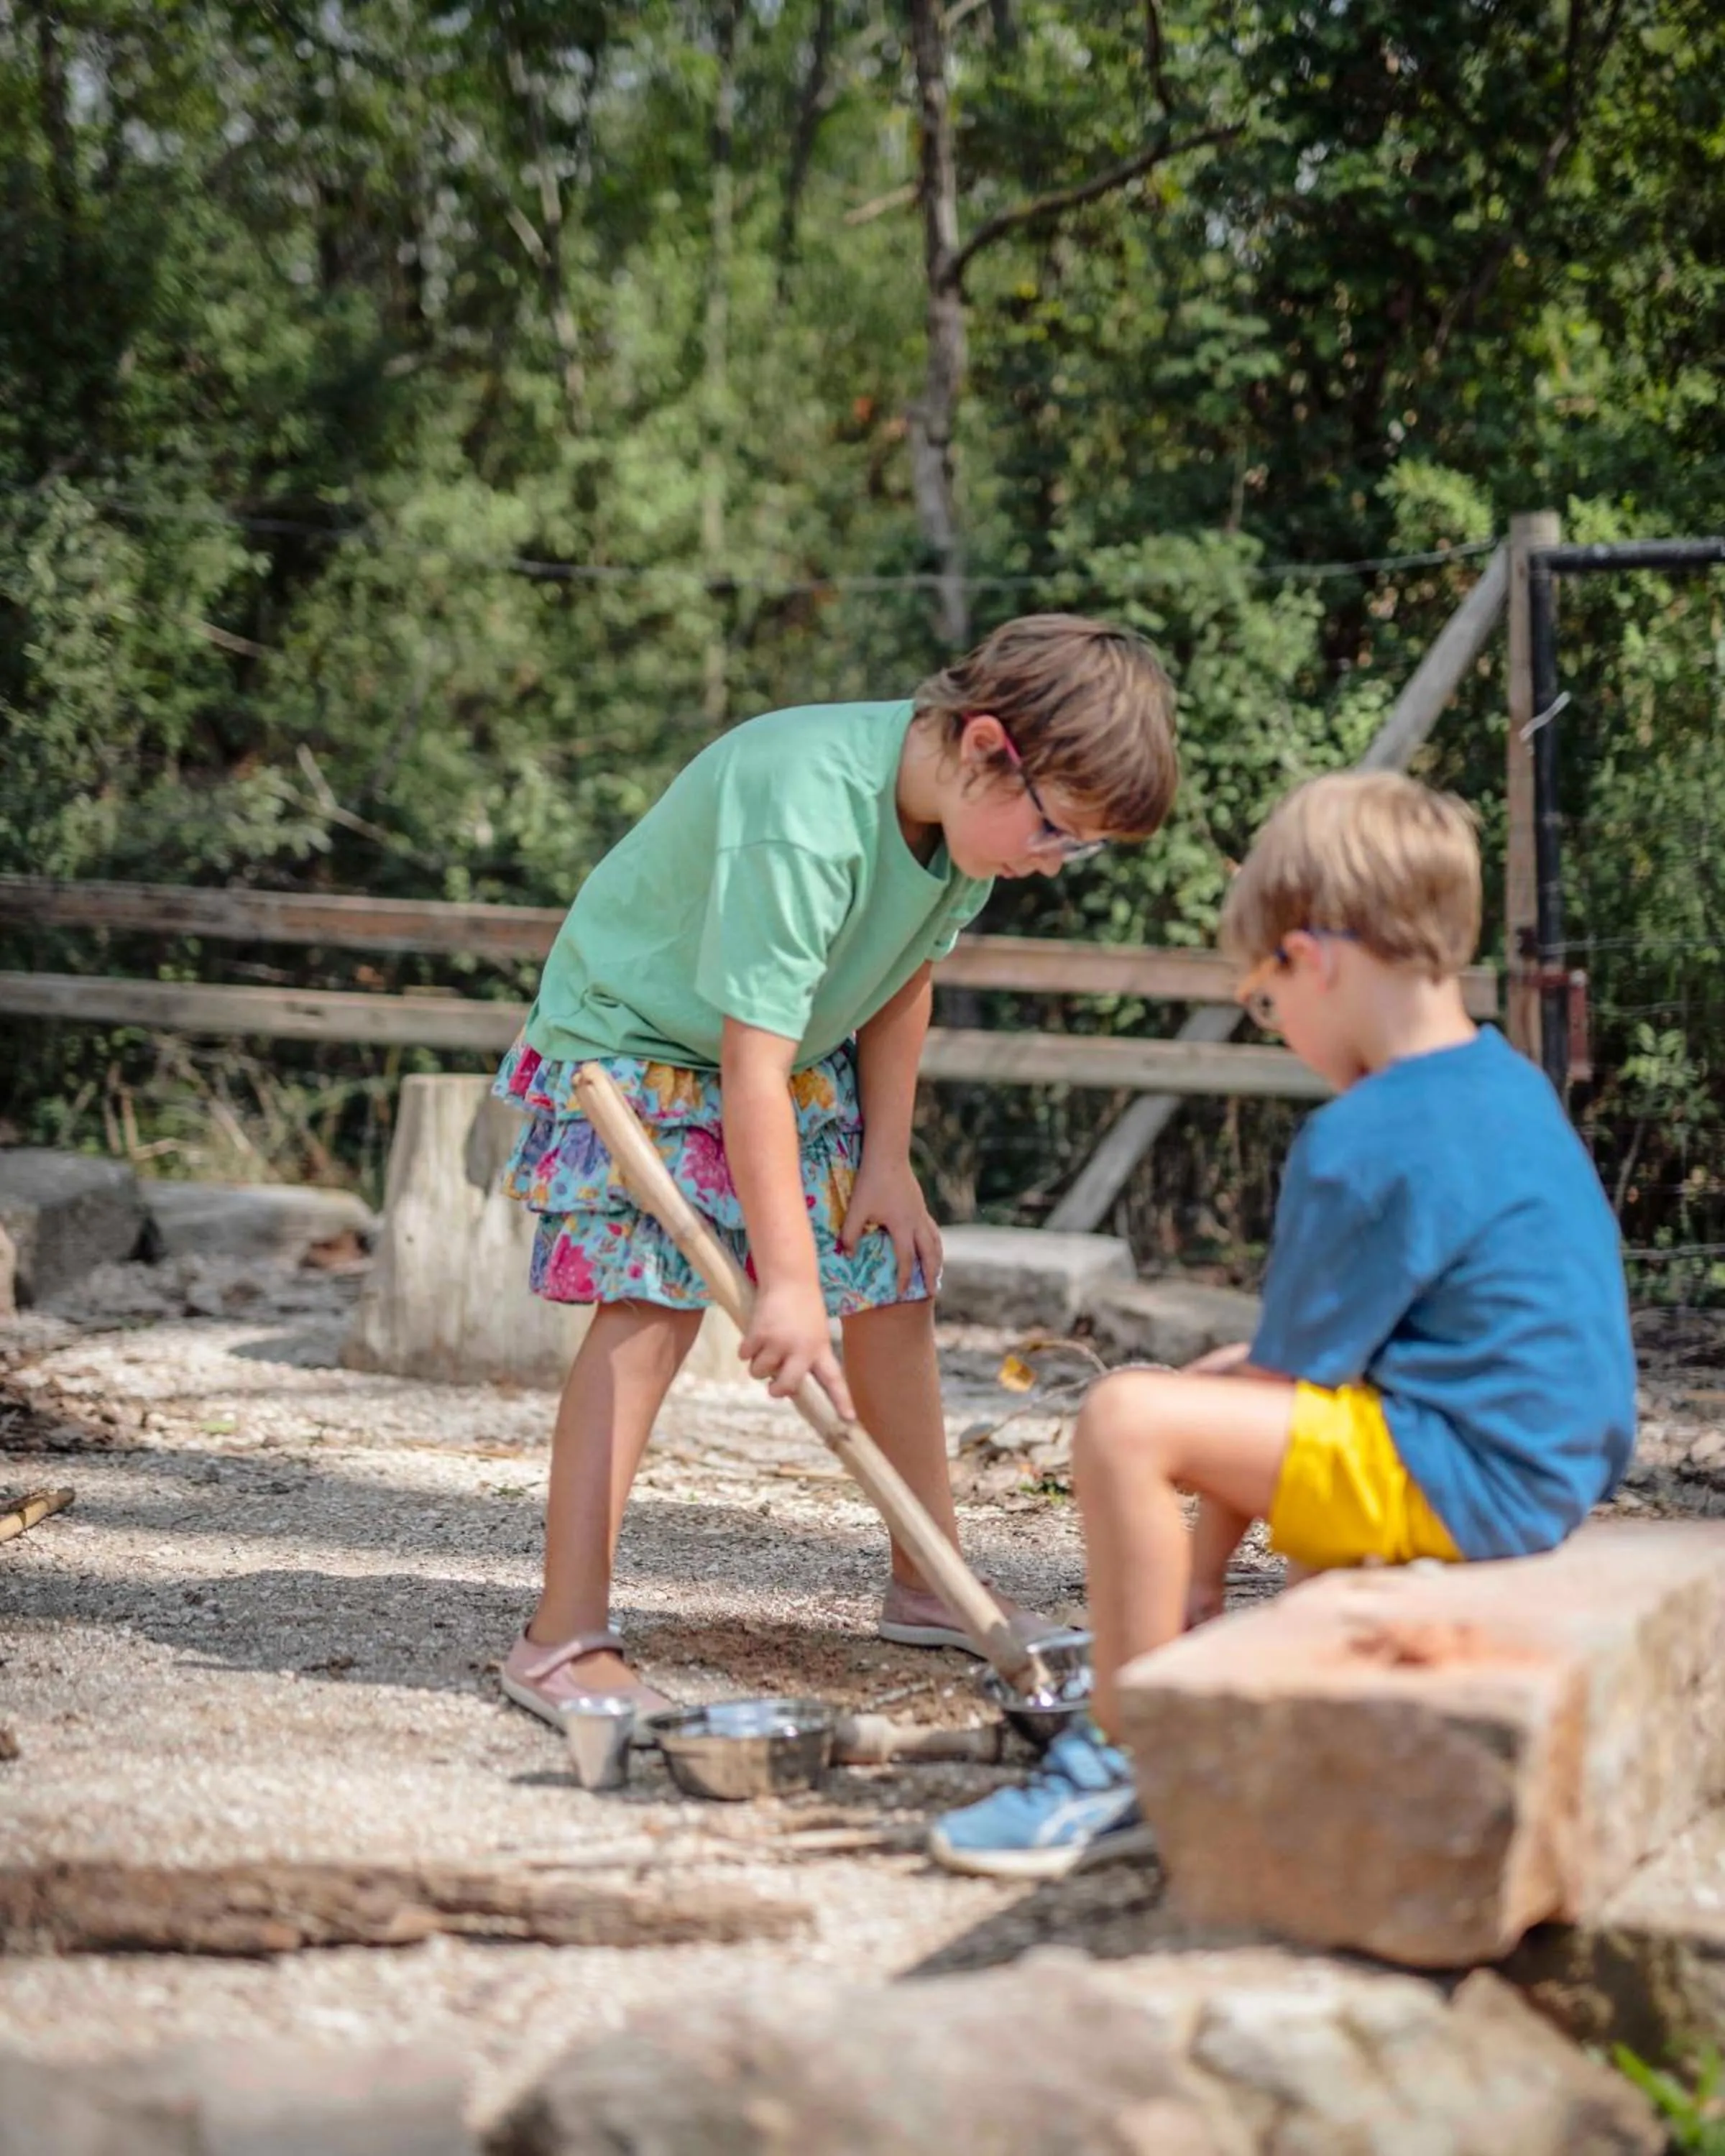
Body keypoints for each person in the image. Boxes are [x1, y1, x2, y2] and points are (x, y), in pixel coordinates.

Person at [929, 769, 1637, 1879]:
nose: (1278, 1025)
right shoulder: (1507, 1086)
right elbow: (1290, 1374)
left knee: (1124, 1416)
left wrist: (1199, 1585)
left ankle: (1125, 1756)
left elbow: (1269, 1400)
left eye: (1266, 1000)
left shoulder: (1365, 1138)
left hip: (1470, 1475)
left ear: (1313, 958)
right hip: (1543, 1470)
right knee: (1219, 1376)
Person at [492, 615, 1179, 1731]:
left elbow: (905, 976)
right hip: (639, 1043)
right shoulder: (807, 812)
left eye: (1078, 847)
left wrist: (886, 1163)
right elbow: (746, 1066)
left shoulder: (968, 827)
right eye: (1057, 831)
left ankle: (926, 1583)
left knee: (892, 1271)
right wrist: (790, 1284)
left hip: (788, 1050)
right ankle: (561, 1637)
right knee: (655, 1305)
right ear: (985, 744)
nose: (1053, 861)